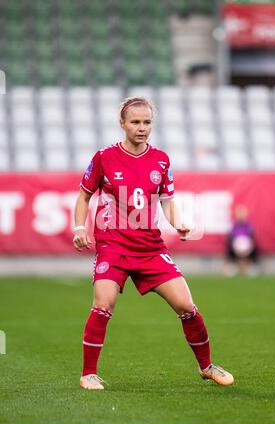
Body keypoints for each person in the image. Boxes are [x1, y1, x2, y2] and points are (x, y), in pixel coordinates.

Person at [73, 97, 234, 390]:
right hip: (114, 246)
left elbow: (167, 201)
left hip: (150, 248)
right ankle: (88, 373)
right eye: (135, 122)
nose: (142, 128)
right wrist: (79, 227)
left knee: (186, 305)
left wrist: (179, 222)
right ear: (122, 123)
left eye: (147, 122)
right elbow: (84, 196)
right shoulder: (104, 157)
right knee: (103, 304)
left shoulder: (161, 159)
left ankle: (206, 366)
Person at [224, 205, 260, 276]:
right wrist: (235, 243)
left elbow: (251, 236)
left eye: (242, 213)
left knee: (255, 249)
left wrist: (247, 243)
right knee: (229, 249)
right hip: (235, 245)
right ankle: (232, 266)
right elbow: (230, 236)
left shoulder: (248, 225)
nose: (241, 215)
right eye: (239, 213)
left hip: (247, 245)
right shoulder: (233, 225)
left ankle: (253, 266)